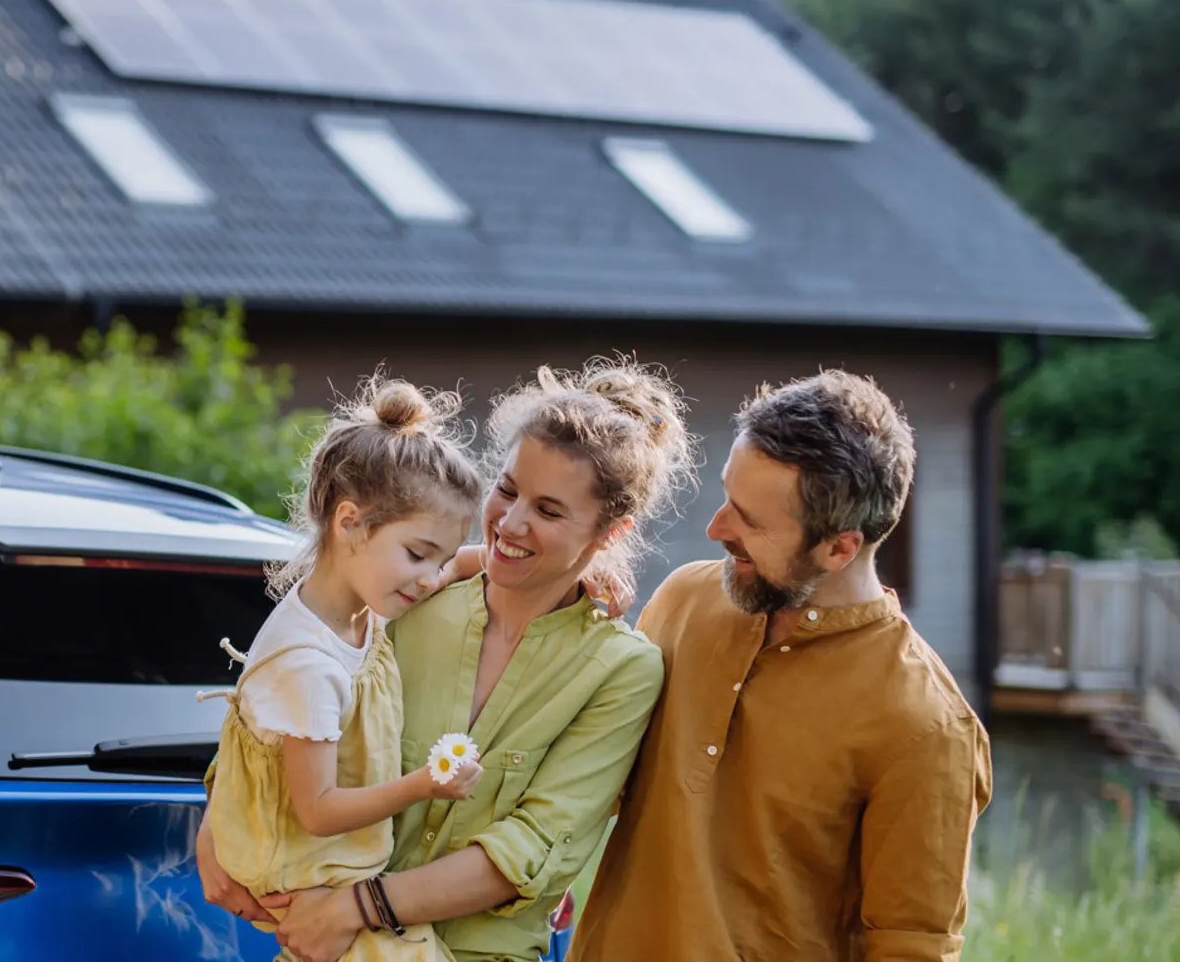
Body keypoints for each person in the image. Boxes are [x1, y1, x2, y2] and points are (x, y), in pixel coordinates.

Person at [200, 359, 695, 962]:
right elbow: (286, 709)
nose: (511, 522)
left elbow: (529, 849)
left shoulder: (622, 671)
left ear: (611, 532)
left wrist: (355, 906)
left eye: (549, 510)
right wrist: (215, 819)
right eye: (508, 490)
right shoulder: (406, 600)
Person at [567, 370, 993, 962]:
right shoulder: (683, 599)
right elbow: (584, 791)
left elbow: (912, 947)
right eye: (725, 495)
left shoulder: (926, 726)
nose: (716, 529)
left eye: (751, 520)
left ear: (839, 547)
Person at [201, 376, 487, 961]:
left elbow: (458, 565)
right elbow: (319, 808)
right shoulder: (308, 664)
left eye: (441, 557)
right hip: (310, 882)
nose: (433, 578)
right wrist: (426, 785)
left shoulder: (358, 601)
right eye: (417, 555)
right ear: (349, 522)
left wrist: (562, 568)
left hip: (341, 877)